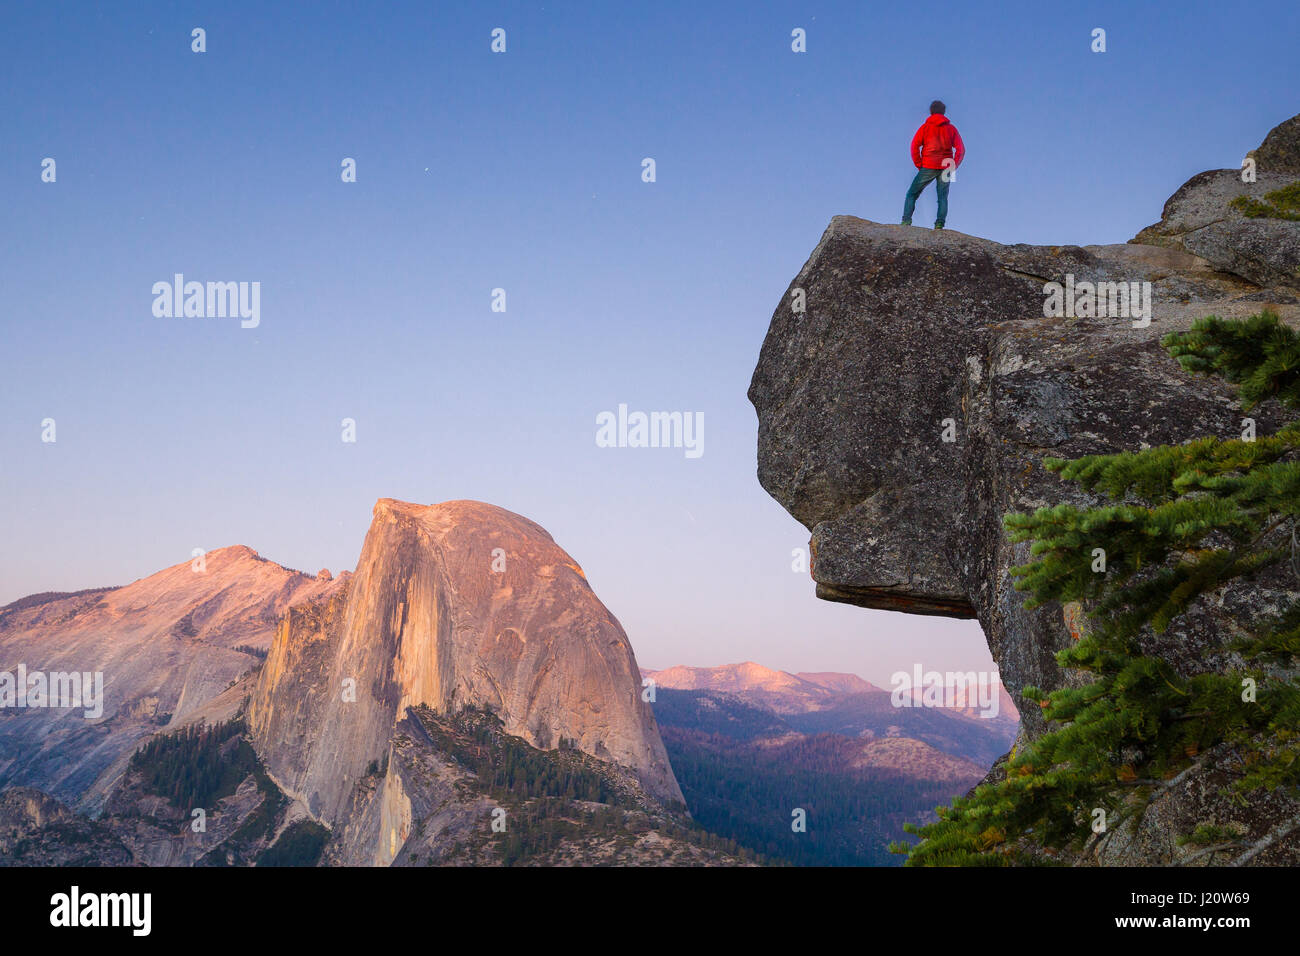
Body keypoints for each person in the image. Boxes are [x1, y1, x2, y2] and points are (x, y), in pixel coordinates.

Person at [902, 101, 965, 230]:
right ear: (944, 112)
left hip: (928, 165)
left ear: (931, 111)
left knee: (912, 194)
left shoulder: (925, 127)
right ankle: (940, 223)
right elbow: (961, 149)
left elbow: (914, 145)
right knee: (942, 197)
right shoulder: (951, 129)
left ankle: (906, 221)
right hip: (947, 166)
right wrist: (953, 165)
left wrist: (919, 164)